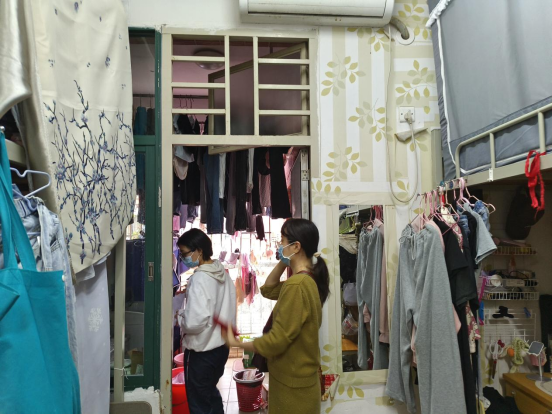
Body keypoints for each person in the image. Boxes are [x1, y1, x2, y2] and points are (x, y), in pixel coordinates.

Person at [224, 218, 330, 414]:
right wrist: (284, 261)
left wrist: (237, 343)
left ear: (296, 246)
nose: (279, 246)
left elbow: (276, 341)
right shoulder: (306, 280)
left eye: (282, 241)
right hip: (298, 383)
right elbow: (268, 289)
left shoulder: (297, 285)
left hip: (293, 389)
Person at [177, 229, 237, 414]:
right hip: (221, 349)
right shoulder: (222, 273)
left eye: (185, 253)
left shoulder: (200, 279)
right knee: (210, 395)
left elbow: (194, 322)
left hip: (202, 352)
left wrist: (180, 315)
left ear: (199, 251)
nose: (183, 258)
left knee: (200, 404)